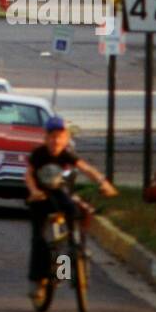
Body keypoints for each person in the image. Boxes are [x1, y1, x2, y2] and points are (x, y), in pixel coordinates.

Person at [25, 115, 117, 300]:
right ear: (45, 137)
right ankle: (39, 281)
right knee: (39, 240)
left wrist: (103, 183)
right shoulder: (39, 154)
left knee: (72, 216)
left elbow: (86, 168)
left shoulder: (66, 154)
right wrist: (34, 191)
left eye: (60, 136)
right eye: (52, 136)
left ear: (66, 138)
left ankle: (68, 262)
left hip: (58, 193)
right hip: (41, 196)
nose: (55, 141)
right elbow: (28, 175)